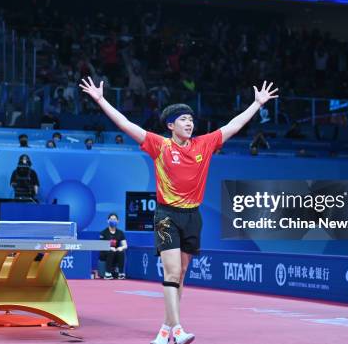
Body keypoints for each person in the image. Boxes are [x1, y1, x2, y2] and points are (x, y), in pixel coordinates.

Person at [80, 77, 278, 344]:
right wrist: (101, 100)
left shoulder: (204, 145)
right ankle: (177, 330)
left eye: (191, 120)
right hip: (166, 216)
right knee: (172, 272)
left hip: (192, 217)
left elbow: (233, 125)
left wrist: (256, 104)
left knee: (181, 273)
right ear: (171, 125)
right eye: (183, 120)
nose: (189, 123)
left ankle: (165, 328)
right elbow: (127, 125)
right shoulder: (160, 146)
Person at [99, 213, 128, 279]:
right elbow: (100, 245)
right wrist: (109, 248)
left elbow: (125, 245)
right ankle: (107, 273)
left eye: (114, 219)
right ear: (108, 221)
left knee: (121, 252)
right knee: (110, 252)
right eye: (111, 219)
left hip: (116, 252)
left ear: (118, 221)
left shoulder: (120, 233)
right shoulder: (103, 233)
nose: (113, 221)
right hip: (105, 253)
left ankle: (121, 273)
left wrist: (121, 247)